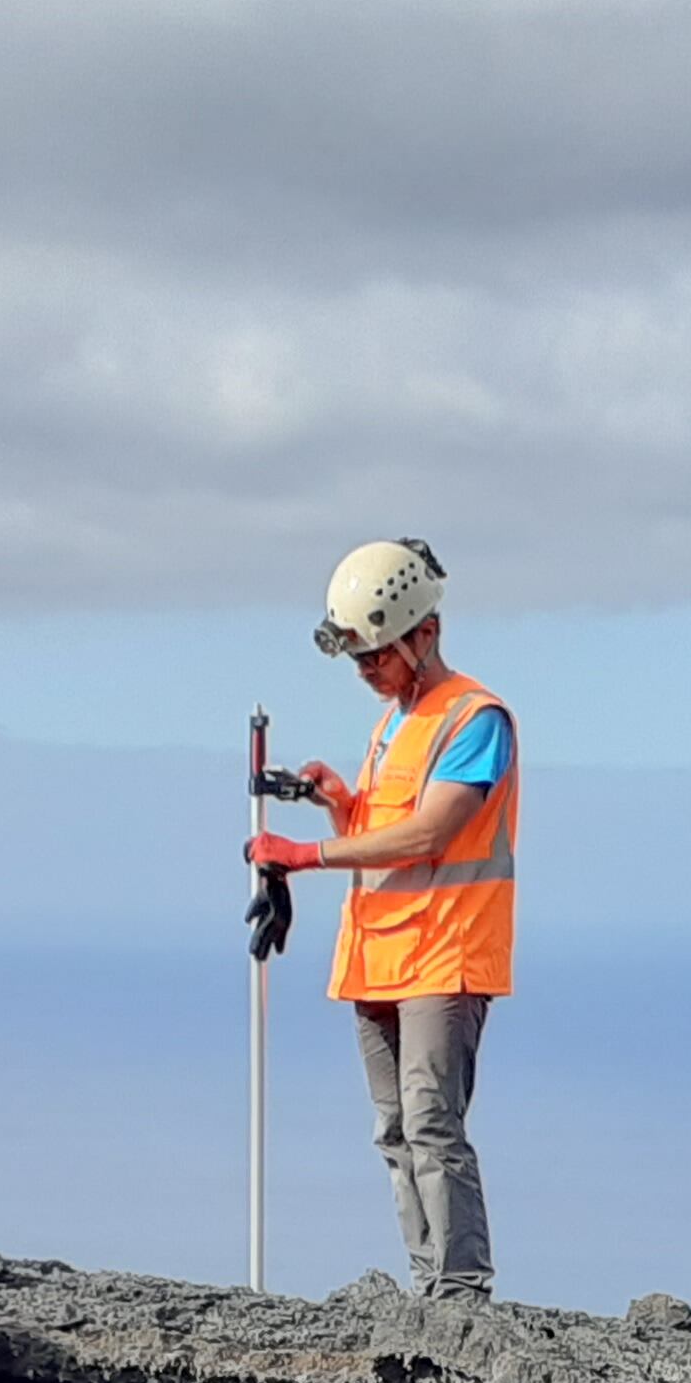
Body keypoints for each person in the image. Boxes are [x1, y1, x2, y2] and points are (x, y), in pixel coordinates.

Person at [246, 538, 516, 1302]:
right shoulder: (394, 723)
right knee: (394, 1131)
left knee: (433, 1126)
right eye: (358, 659)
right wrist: (343, 804)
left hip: (445, 954)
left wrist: (306, 853)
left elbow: (434, 832)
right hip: (381, 956)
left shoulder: (474, 718)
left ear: (423, 633)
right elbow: (391, 828)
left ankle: (461, 1292)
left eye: (377, 656)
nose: (367, 672)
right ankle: (427, 1279)